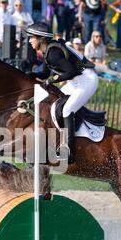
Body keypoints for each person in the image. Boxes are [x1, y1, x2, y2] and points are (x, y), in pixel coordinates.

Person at [25, 22, 98, 164]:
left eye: (31, 37)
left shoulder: (53, 53)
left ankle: (68, 152)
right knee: (53, 105)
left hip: (87, 80)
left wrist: (51, 81)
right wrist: (31, 75)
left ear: (40, 38)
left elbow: (69, 72)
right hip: (77, 80)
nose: (29, 41)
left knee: (66, 110)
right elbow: (45, 73)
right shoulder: (48, 51)